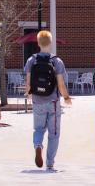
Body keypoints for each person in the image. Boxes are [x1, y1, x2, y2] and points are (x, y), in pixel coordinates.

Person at [24, 30, 71, 171]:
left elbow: (28, 83)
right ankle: (50, 162)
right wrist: (67, 97)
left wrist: (28, 94)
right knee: (54, 133)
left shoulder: (31, 60)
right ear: (50, 43)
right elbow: (61, 84)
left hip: (38, 100)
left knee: (38, 128)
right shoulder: (56, 61)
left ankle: (38, 145)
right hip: (53, 102)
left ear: (38, 43)